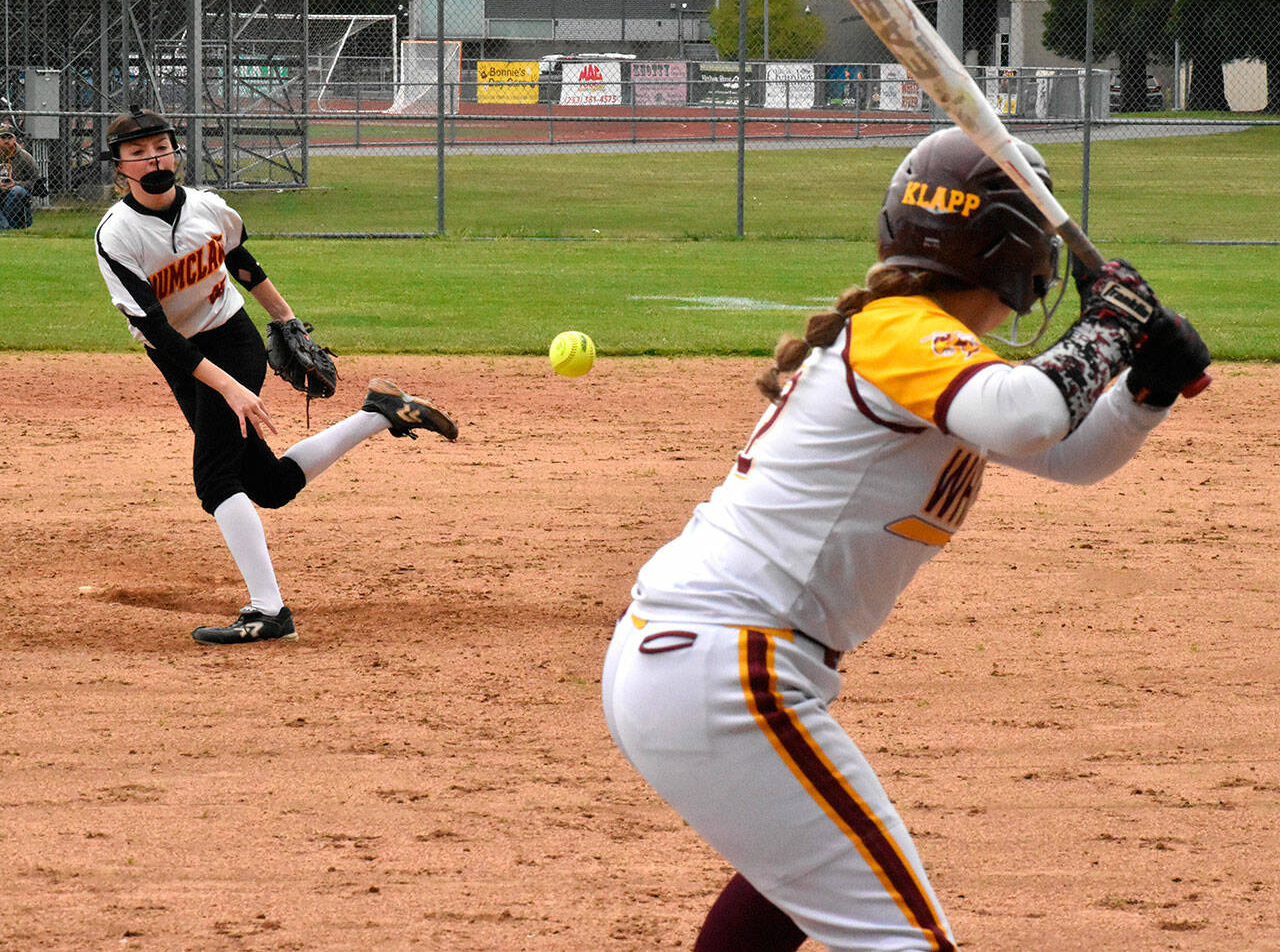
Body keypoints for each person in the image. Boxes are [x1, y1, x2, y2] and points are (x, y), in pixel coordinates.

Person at [601, 127, 1210, 952]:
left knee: (796, 884)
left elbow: (1069, 452)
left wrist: (1146, 385)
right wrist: (1107, 324)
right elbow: (1029, 413)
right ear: (1025, 265)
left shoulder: (930, 356)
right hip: (728, 666)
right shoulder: (901, 333)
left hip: (705, 661)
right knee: (901, 938)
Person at [94, 106, 459, 645]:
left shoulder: (209, 208)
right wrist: (228, 388)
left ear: (176, 150)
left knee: (215, 480)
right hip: (182, 356)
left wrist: (286, 319)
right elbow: (161, 336)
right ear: (119, 166)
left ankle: (270, 611)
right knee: (269, 486)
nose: (154, 158)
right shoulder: (117, 236)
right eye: (138, 152)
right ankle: (379, 413)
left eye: (162, 146)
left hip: (231, 337)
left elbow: (243, 263)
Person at [0, 120, 38, 229]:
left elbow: (36, 183)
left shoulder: (26, 157)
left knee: (18, 191)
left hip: (14, 196)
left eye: (9, 137)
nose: (6, 141)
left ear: (15, 139)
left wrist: (15, 183)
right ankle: (5, 227)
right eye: (3, 138)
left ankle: (5, 227)